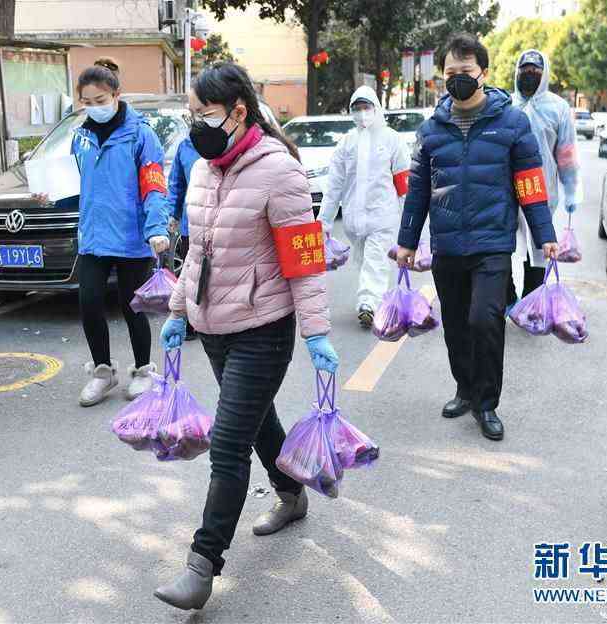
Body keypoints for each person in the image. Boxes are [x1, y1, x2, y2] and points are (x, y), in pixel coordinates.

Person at [154, 62, 338, 610]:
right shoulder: (207, 168)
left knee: (228, 444)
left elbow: (304, 261)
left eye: (204, 115)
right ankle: (290, 493)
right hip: (214, 327)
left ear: (238, 113)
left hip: (263, 329)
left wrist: (318, 333)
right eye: (191, 115)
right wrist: (177, 310)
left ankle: (201, 565)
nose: (196, 126)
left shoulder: (279, 171)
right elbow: (199, 255)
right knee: (258, 424)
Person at [396, 33, 558, 442]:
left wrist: (544, 235)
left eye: (465, 72)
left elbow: (530, 184)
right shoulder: (432, 129)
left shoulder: (511, 123)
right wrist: (407, 241)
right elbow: (417, 190)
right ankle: (464, 388)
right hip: (448, 243)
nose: (457, 79)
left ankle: (487, 402)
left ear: (483, 73)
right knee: (455, 324)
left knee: (484, 318)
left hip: (492, 241)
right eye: (450, 73)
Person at [70, 58, 171, 407]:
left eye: (101, 101)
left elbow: (155, 186)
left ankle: (143, 369)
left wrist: (156, 228)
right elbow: (79, 183)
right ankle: (102, 372)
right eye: (88, 102)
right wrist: (50, 196)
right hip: (94, 237)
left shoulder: (141, 135)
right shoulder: (80, 137)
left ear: (116, 95)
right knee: (89, 303)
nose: (94, 108)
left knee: (133, 307)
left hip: (132, 237)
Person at [318, 85, 411, 328]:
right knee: (364, 260)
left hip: (382, 216)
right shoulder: (346, 143)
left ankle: (367, 303)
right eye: (357, 108)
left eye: (366, 107)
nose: (362, 113)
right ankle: (372, 298)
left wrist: (411, 221)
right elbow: (333, 186)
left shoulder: (392, 139)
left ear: (376, 108)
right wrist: (324, 221)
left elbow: (404, 182)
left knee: (374, 259)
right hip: (353, 219)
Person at [507, 49, 582, 306]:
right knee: (504, 243)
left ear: (544, 74)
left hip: (542, 190)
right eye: (524, 71)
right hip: (506, 189)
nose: (528, 76)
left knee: (539, 246)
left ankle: (531, 299)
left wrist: (571, 189)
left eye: (534, 72)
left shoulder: (558, 108)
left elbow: (566, 154)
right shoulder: (506, 105)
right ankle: (506, 295)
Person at [165, 134, 201, 339]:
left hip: (226, 225)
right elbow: (177, 183)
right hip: (192, 225)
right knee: (191, 276)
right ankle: (190, 324)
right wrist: (174, 213)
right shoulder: (186, 146)